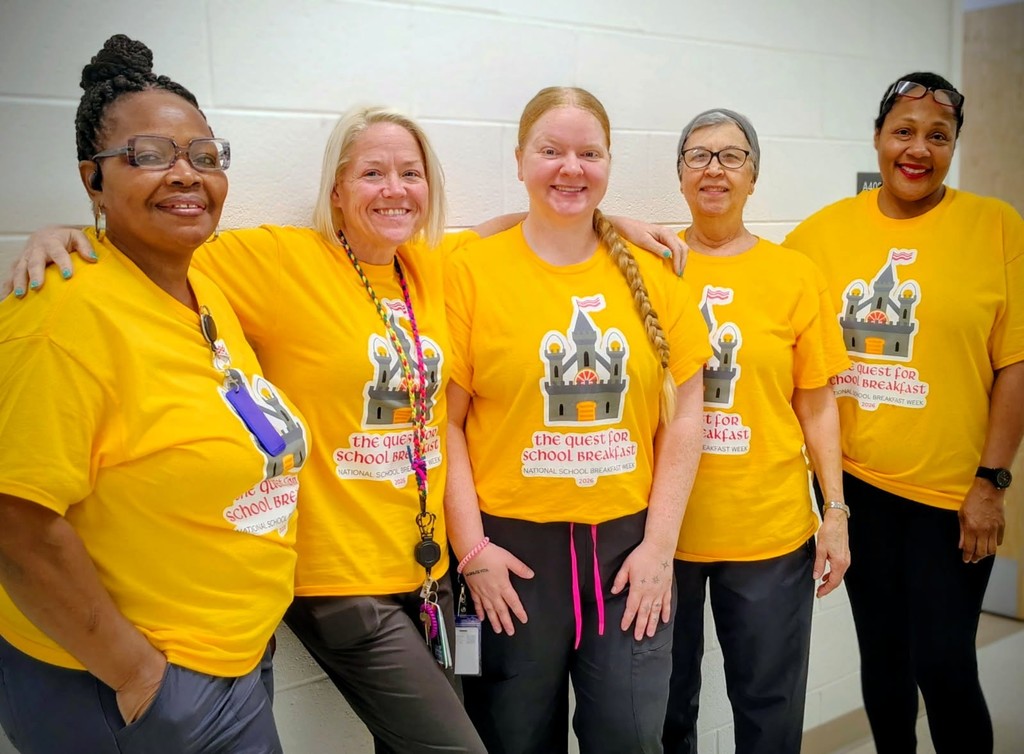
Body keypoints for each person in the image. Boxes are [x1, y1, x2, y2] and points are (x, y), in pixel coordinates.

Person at [0, 34, 308, 754]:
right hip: (131, 689)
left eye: (204, 155)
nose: (186, 174)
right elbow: (17, 524)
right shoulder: (60, 318)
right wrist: (140, 679)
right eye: (149, 155)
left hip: (227, 659)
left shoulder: (200, 287)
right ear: (93, 179)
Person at [443, 86, 708, 754]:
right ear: (519, 160)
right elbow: (444, 424)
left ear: (609, 162)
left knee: (630, 735)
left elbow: (685, 419)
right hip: (510, 554)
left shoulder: (654, 275)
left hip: (628, 552)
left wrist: (660, 548)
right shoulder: (469, 271)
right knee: (511, 737)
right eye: (550, 151)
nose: (571, 167)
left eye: (589, 154)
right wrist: (471, 551)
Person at [784, 72, 1024, 754]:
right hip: (858, 489)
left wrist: (991, 482)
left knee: (945, 664)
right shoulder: (821, 234)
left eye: (938, 136)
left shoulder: (996, 227)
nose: (918, 149)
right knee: (884, 657)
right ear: (878, 138)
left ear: (954, 146)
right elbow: (755, 291)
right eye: (904, 132)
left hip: (956, 497)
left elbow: (1016, 363)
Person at [659, 108, 851, 754]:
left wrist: (835, 511)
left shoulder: (794, 275)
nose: (714, 169)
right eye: (698, 155)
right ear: (680, 175)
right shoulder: (646, 266)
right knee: (664, 708)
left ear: (754, 175)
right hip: (662, 533)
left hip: (770, 532)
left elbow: (816, 402)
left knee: (769, 709)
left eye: (732, 156)